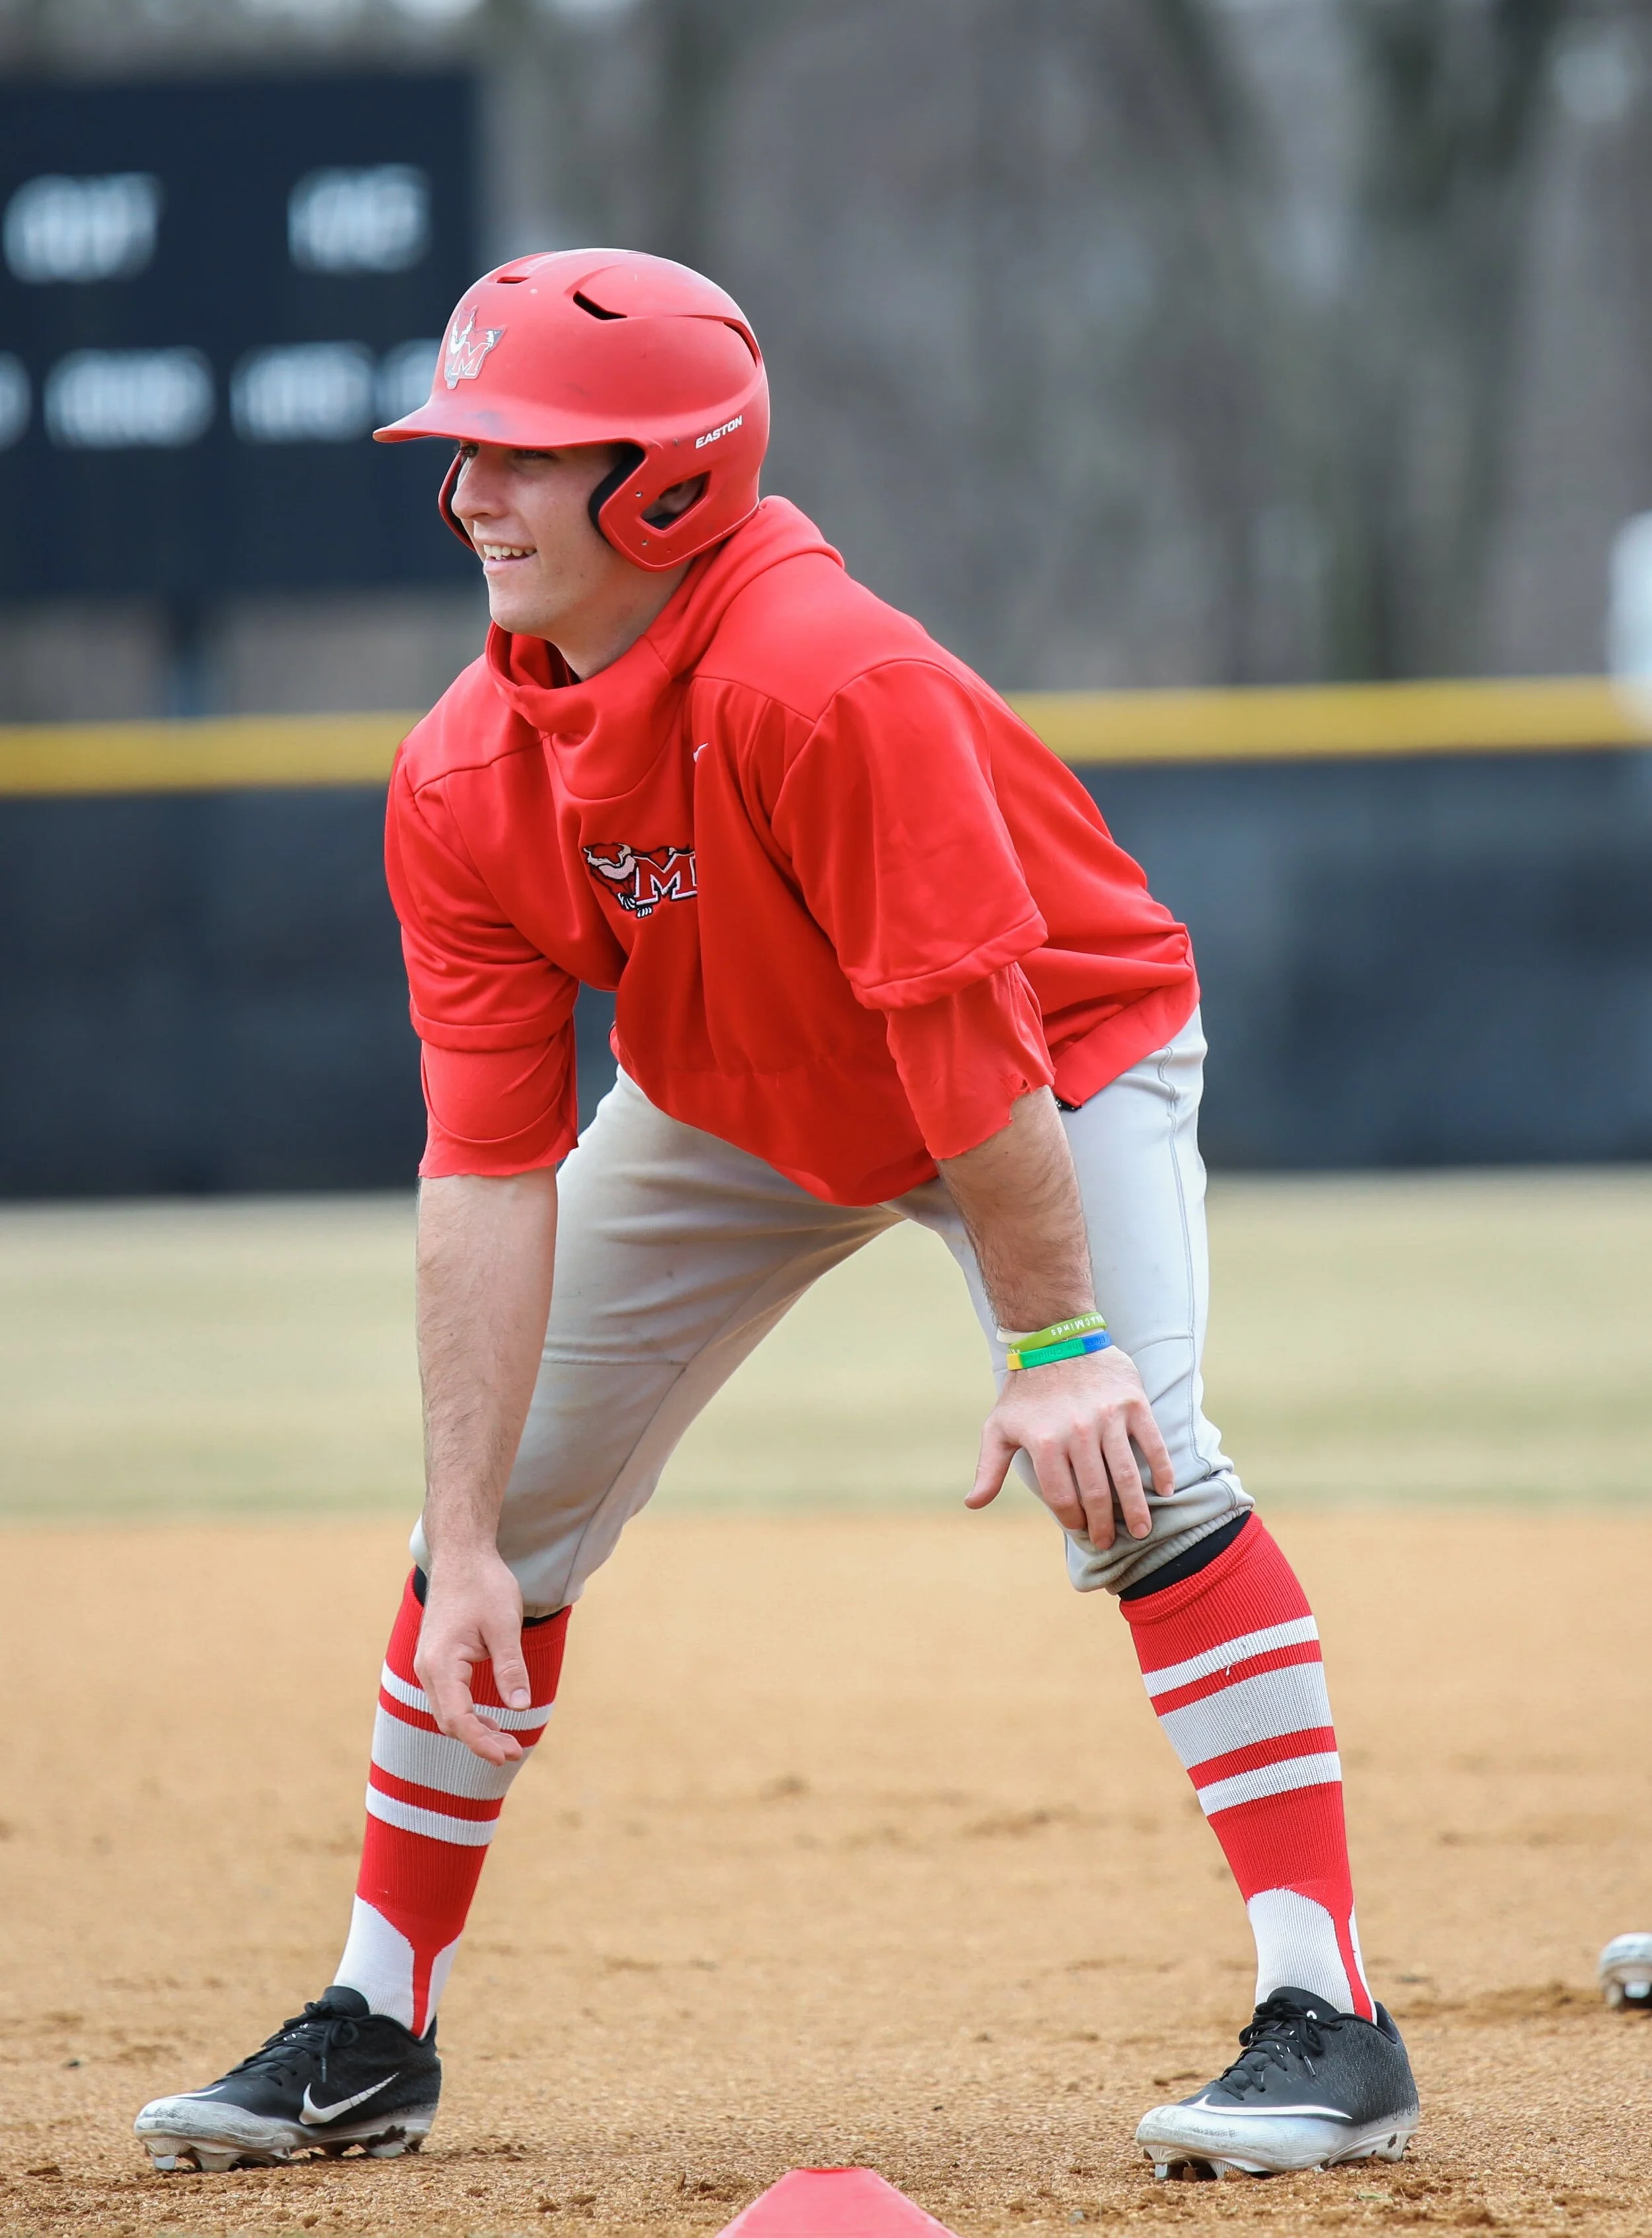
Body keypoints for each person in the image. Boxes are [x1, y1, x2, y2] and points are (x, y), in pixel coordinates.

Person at [135, 250, 1419, 2185]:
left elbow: (964, 1034)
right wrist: (474, 1528)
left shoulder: (829, 675)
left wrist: (1058, 1349)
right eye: (460, 447)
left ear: (664, 480)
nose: (465, 490)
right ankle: (372, 2024)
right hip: (733, 1091)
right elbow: (486, 1168)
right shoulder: (464, 773)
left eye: (516, 451)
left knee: (1141, 1469)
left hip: (1042, 1051)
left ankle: (1332, 2015)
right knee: (490, 1531)